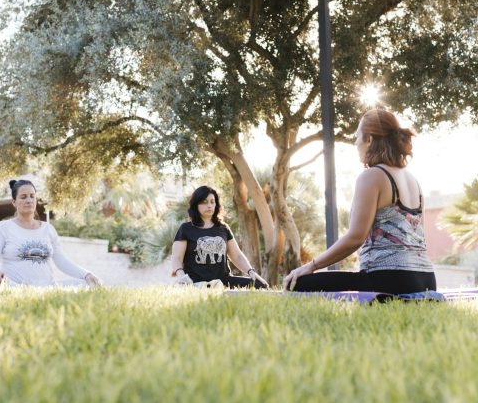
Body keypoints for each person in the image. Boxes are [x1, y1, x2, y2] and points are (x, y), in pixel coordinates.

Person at [283, 109, 436, 294]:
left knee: (298, 284)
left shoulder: (373, 176)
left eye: (358, 136)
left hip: (391, 279)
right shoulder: (414, 181)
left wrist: (311, 266)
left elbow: (356, 238)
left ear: (369, 139)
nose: (355, 142)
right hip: (426, 279)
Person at [0, 179, 102, 287]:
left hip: (48, 287)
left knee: (88, 283)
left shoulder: (48, 229)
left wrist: (86, 274)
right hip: (15, 286)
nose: (29, 200)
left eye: (32, 196)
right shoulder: (3, 227)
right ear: (14, 202)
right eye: (23, 197)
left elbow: (61, 261)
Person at [171, 185, 268, 289]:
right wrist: (182, 277)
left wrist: (252, 273)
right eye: (204, 202)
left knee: (261, 285)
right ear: (196, 205)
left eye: (212, 202)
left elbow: (237, 256)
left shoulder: (223, 228)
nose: (209, 205)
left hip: (223, 281)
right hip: (195, 282)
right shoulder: (186, 228)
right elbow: (177, 258)